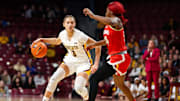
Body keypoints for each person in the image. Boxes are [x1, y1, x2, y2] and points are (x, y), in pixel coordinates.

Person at [32, 15, 101, 101]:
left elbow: (98, 45)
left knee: (78, 88)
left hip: (83, 63)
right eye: (68, 22)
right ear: (64, 24)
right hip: (70, 61)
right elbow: (57, 41)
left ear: (75, 24)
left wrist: (96, 63)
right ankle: (45, 100)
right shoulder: (62, 34)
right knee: (53, 79)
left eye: (72, 22)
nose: (70, 24)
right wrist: (42, 39)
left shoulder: (80, 36)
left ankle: (87, 97)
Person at [83, 1, 135, 101]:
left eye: (107, 9)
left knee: (94, 79)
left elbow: (111, 21)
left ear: (111, 11)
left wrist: (93, 16)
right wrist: (94, 44)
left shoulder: (117, 21)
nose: (105, 11)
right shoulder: (108, 26)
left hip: (118, 58)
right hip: (119, 58)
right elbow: (107, 41)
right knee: (120, 85)